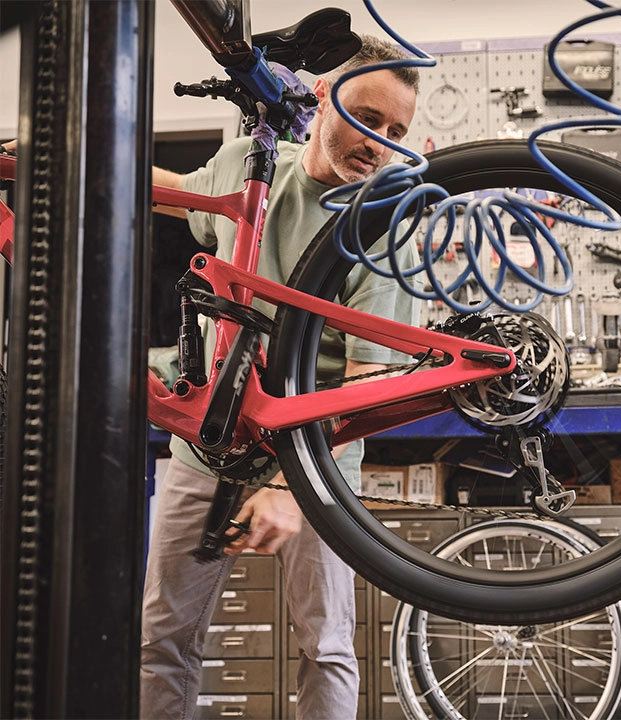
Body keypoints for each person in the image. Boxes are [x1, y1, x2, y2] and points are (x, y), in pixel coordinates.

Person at [140, 35, 420, 719]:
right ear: (323, 96)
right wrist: (54, 163)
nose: (377, 144)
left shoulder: (380, 226)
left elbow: (362, 389)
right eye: (367, 118)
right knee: (161, 639)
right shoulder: (251, 166)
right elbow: (174, 193)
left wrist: (293, 487)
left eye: (395, 132)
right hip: (209, 445)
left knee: (325, 646)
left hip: (316, 454)